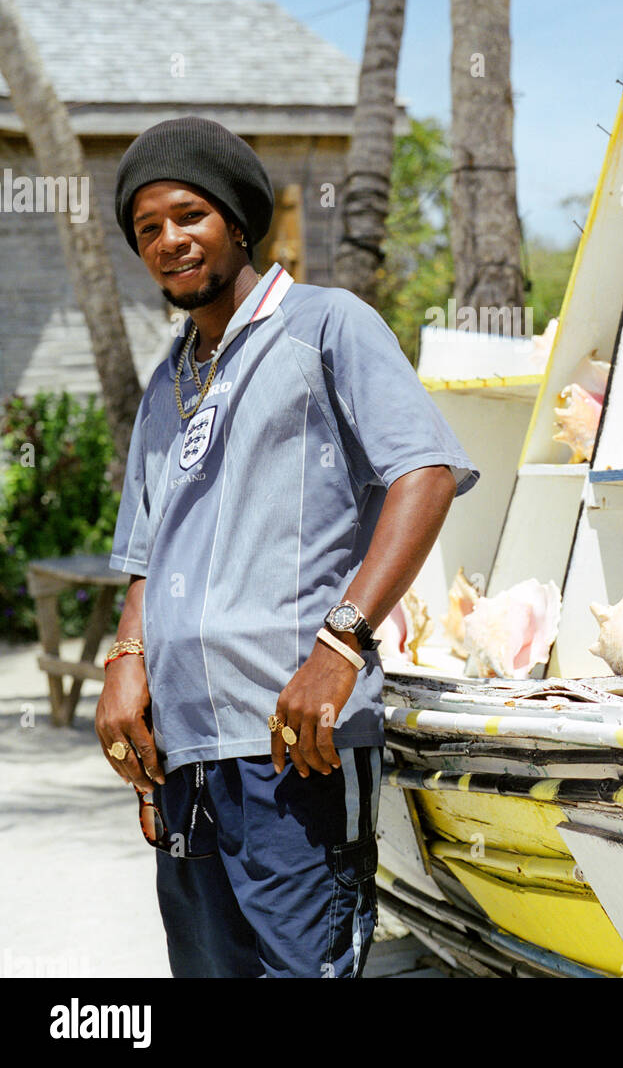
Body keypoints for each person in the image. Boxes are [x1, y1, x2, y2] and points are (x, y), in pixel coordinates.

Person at [95, 115, 479, 978]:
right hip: (184, 750)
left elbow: (425, 472)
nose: (168, 241)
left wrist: (341, 644)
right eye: (147, 228)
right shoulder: (167, 381)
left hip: (291, 739)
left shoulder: (324, 325)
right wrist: (127, 661)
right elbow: (148, 550)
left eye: (188, 215)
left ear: (235, 220)